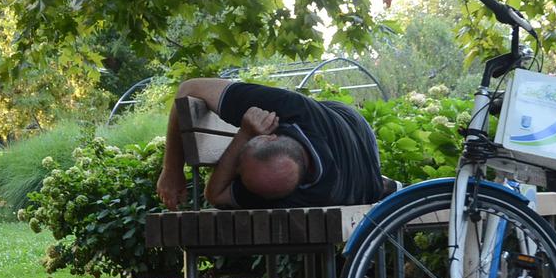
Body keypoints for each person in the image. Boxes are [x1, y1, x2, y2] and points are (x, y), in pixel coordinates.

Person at [155, 77, 396, 210]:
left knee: (369, 186)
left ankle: (383, 184)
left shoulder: (301, 193)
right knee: (370, 186)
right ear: (270, 136)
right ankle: (384, 184)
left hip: (353, 155)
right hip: (351, 123)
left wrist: (243, 135)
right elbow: (188, 89)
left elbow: (215, 194)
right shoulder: (288, 107)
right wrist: (172, 168)